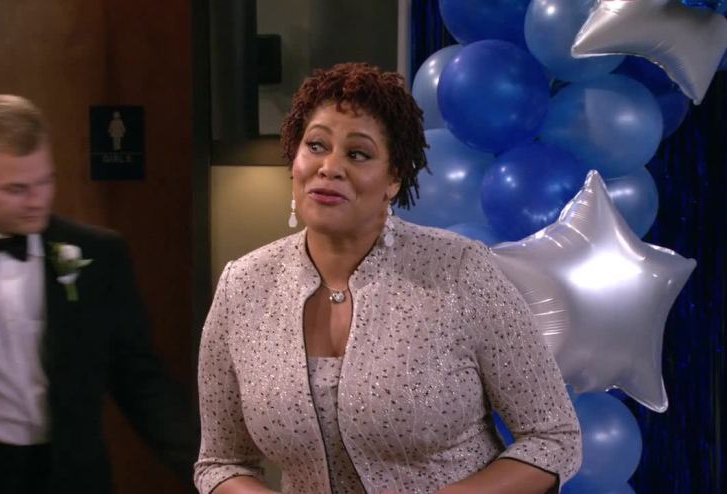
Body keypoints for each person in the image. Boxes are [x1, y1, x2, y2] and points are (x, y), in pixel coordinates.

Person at [195, 63, 581, 494]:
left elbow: (553, 439)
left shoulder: (460, 271)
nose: (330, 167)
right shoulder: (243, 286)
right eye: (316, 146)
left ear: (394, 178)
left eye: (357, 154)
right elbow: (220, 462)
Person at [0, 94, 199, 494]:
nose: (38, 201)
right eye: (16, 189)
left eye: (45, 181)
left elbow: (138, 378)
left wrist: (211, 474)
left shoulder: (98, 253)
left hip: (70, 476)